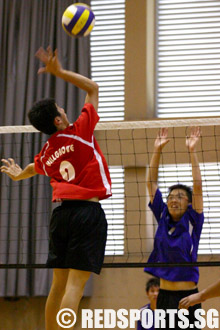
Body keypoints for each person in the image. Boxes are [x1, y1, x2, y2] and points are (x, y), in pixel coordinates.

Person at [1, 46, 112, 330]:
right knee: (75, 286)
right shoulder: (80, 131)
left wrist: (17, 176)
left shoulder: (47, 152)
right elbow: (93, 88)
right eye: (62, 109)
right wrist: (60, 71)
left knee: (58, 285)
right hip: (87, 214)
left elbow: (32, 168)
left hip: (60, 216)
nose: (65, 110)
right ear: (58, 120)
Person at [144, 127, 204, 329]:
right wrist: (157, 150)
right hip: (165, 296)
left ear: (188, 203)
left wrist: (192, 151)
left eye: (179, 197)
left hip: (189, 296)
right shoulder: (162, 215)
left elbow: (197, 186)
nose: (173, 200)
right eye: (171, 197)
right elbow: (151, 183)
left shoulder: (192, 220)